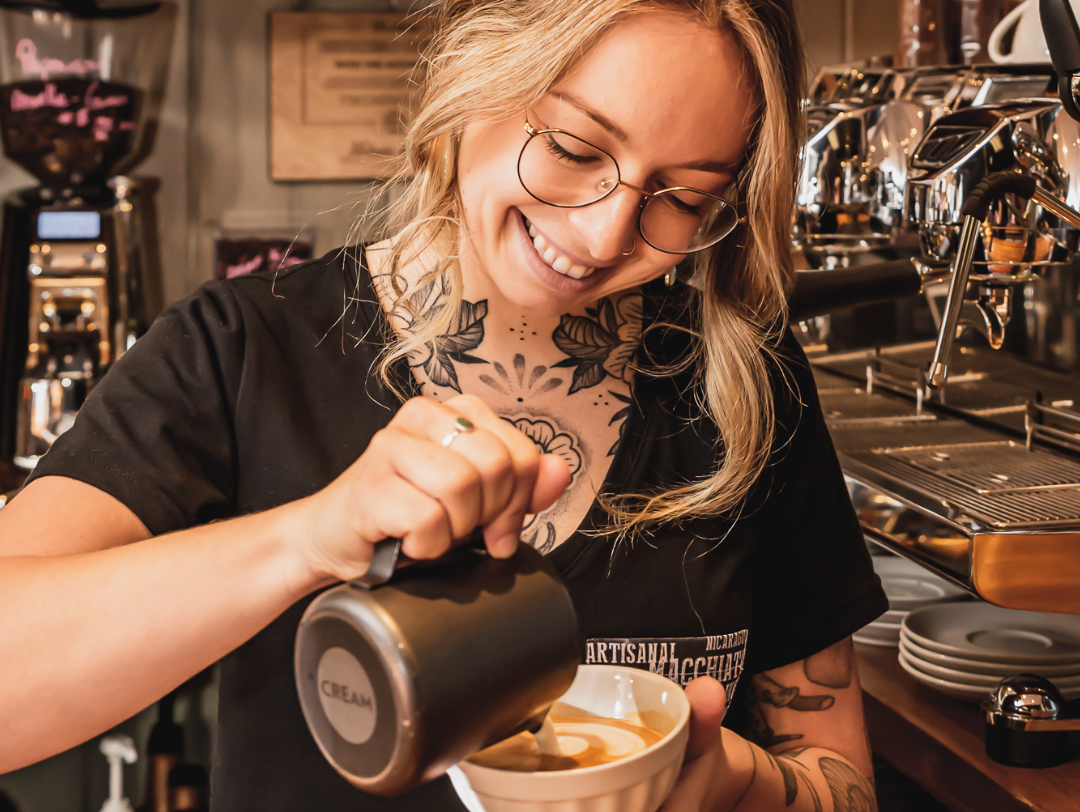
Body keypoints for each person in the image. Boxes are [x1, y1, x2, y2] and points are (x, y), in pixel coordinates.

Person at [0, 1, 888, 810]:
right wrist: (307, 538)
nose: (603, 233)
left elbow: (839, 776)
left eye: (682, 197)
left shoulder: (743, 381)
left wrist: (740, 784)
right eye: (574, 149)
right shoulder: (238, 350)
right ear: (475, 76)